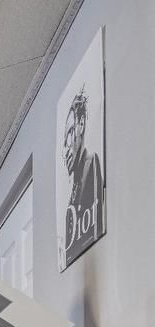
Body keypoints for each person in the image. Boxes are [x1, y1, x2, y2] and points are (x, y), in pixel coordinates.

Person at [61, 87, 104, 263]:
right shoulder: (73, 189)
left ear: (81, 125)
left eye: (71, 133)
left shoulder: (91, 163)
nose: (67, 148)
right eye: (64, 141)